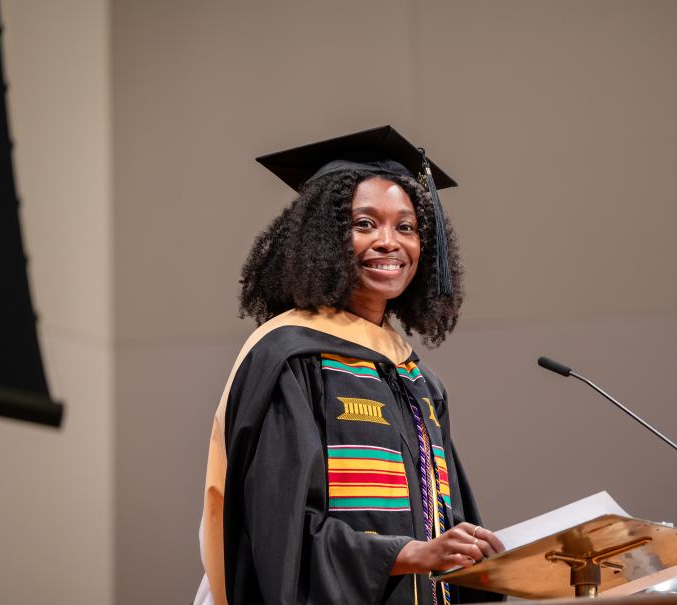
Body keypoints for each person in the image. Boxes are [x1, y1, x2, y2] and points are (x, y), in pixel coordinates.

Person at [194, 126, 505, 605]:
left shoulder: (418, 380)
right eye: (365, 224)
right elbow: (281, 531)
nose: (389, 242)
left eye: (406, 227)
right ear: (324, 238)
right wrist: (407, 555)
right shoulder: (291, 359)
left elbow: (444, 522)